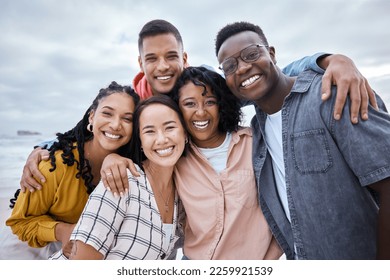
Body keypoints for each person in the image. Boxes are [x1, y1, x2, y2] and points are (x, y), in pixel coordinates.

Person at [19, 19, 377, 194]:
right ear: (140, 62)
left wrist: (332, 60)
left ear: (184, 57)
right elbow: (89, 132)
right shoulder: (132, 102)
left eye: (171, 56)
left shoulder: (203, 92)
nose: (162, 67)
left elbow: (266, 77)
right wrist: (45, 147)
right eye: (152, 59)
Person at [215, 21, 390, 259]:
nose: (243, 68)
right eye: (230, 66)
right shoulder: (257, 134)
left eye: (251, 54)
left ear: (272, 54)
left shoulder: (331, 94)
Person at [5, 81, 139, 259]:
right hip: (32, 248)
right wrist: (62, 231)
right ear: (91, 117)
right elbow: (19, 223)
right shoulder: (55, 165)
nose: (115, 125)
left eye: (127, 118)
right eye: (107, 113)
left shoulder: (131, 166)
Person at [50, 95, 187, 260]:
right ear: (141, 142)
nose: (162, 139)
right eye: (149, 131)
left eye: (170, 127)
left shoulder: (182, 193)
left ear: (185, 134)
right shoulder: (121, 181)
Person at [168, 66, 282, 259]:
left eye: (210, 102)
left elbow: (286, 205)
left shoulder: (255, 142)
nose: (201, 112)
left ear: (221, 104)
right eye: (189, 104)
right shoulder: (174, 158)